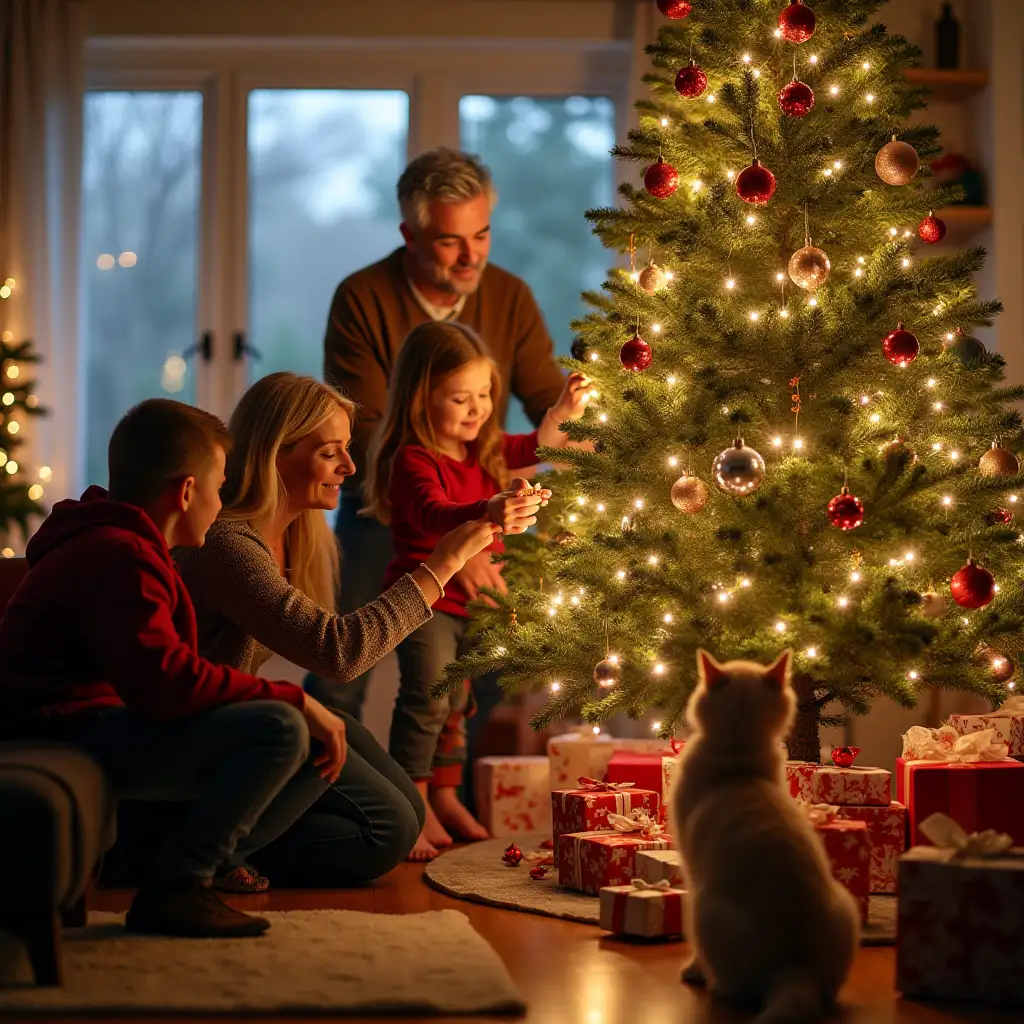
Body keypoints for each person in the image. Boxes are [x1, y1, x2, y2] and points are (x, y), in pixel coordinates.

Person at [0, 399, 349, 938]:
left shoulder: (126, 545)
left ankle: (186, 868)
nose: (221, 502)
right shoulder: (120, 556)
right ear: (187, 491)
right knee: (280, 729)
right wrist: (293, 698)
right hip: (61, 727)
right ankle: (177, 885)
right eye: (218, 487)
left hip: (82, 720)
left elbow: (162, 675)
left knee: (308, 728)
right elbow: (166, 684)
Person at [174, 372, 498, 886]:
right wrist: (443, 564)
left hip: (242, 732)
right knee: (386, 831)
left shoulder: (295, 538)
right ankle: (195, 851)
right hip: (208, 743)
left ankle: (235, 842)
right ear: (276, 454)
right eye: (331, 453)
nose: (349, 466)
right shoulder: (228, 546)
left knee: (406, 811)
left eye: (347, 450)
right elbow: (338, 652)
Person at [313, 146, 566, 722]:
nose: (470, 255)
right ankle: (338, 804)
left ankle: (459, 803)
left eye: (482, 235)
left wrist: (581, 419)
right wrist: (450, 550)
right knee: (342, 668)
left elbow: (542, 395)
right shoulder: (363, 298)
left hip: (483, 504)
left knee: (485, 680)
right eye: (451, 241)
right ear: (410, 234)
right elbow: (368, 430)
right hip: (386, 508)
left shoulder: (509, 296)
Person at [364, 321, 589, 859]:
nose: (477, 409)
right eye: (460, 399)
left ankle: (445, 797)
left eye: (485, 394)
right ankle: (411, 808)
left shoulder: (484, 447)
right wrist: (486, 511)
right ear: (422, 399)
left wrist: (561, 411)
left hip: (471, 606)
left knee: (458, 705)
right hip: (424, 603)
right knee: (426, 702)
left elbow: (537, 444)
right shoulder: (414, 459)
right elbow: (432, 512)